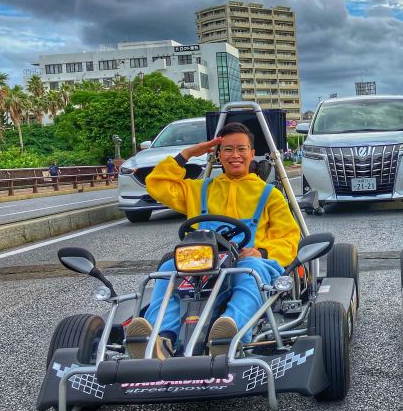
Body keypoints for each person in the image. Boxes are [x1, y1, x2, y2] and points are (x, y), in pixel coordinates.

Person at [124, 122, 300, 359]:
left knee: (251, 270)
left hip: (246, 262)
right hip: (202, 263)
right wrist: (188, 154)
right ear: (218, 155)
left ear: (251, 153)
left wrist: (262, 252)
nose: (235, 155)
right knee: (168, 269)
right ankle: (161, 338)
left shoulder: (270, 195)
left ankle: (228, 335)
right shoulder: (199, 190)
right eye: (227, 149)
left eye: (241, 149)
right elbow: (156, 184)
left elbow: (288, 237)